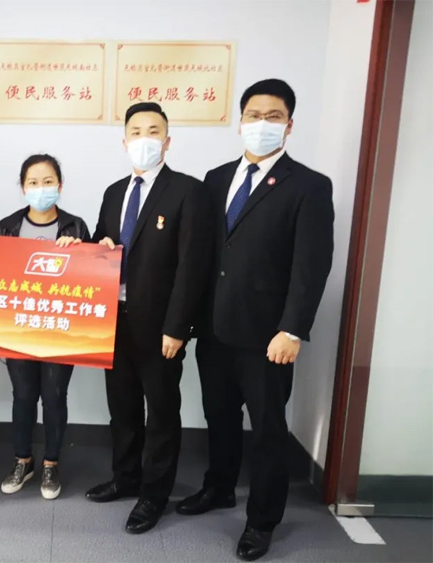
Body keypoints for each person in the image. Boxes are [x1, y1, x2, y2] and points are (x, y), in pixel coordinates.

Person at [175, 79, 334, 561]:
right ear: (239, 120)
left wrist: (292, 329)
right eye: (253, 115)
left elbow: (311, 265)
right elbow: (204, 253)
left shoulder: (308, 185)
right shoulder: (216, 178)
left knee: (266, 429)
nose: (261, 124)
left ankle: (262, 521)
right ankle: (219, 487)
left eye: (273, 116)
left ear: (289, 125)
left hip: (269, 337)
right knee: (219, 415)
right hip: (214, 329)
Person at [85, 102, 212, 533]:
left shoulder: (188, 191)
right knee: (122, 408)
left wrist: (177, 327)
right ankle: (125, 478)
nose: (144, 139)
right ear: (124, 141)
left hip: (160, 328)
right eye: (136, 132)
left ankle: (154, 495)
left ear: (167, 141)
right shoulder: (114, 192)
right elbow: (101, 247)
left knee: (160, 412)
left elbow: (192, 266)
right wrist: (89, 247)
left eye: (153, 131)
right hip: (113, 321)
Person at [0, 154, 91, 500]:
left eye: (48, 181)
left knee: (53, 397)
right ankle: (23, 460)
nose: (41, 188)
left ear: (60, 185)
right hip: (19, 329)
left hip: (60, 330)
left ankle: (51, 463)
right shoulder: (6, 226)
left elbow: (92, 280)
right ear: (23, 188)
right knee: (23, 396)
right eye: (33, 182)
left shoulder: (75, 226)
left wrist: (79, 251)